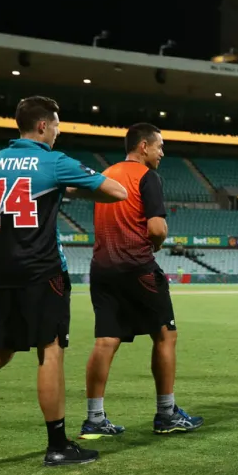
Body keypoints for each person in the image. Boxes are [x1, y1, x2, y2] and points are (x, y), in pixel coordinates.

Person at [0, 96, 127, 465]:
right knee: (50, 351)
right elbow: (117, 192)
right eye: (57, 126)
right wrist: (71, 185)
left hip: (2, 273)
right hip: (43, 272)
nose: (58, 133)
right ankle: (58, 446)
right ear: (43, 126)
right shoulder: (54, 161)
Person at [80, 123, 203, 440]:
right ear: (143, 146)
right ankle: (166, 413)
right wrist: (157, 244)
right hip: (138, 268)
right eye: (159, 146)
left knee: (106, 340)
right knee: (165, 335)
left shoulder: (106, 174)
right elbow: (157, 229)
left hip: (102, 268)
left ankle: (94, 418)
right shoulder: (147, 177)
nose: (162, 153)